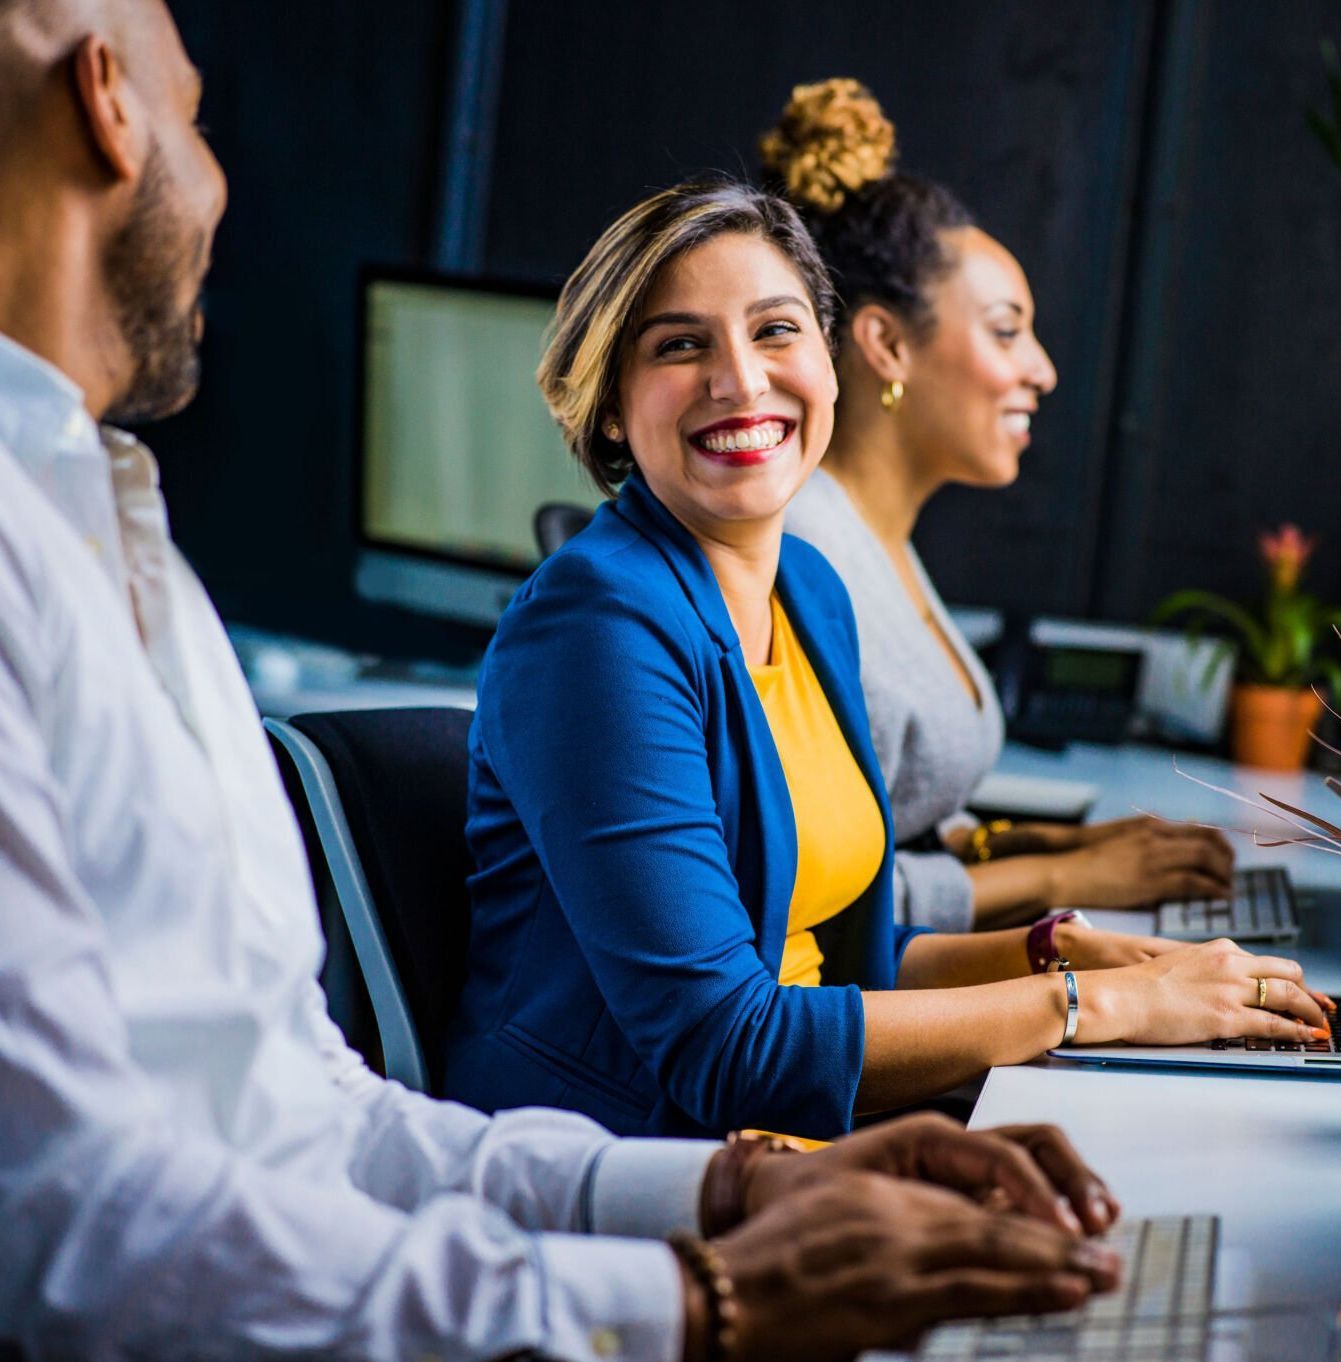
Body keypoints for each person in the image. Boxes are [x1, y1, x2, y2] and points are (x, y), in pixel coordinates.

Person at [0, 2, 1127, 1357]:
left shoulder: (113, 534)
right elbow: (66, 1226)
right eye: (196, 116)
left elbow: (311, 1113)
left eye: (777, 331)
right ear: (109, 101)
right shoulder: (590, 615)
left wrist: (746, 1191)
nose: (221, 177)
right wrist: (707, 1292)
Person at [450, 176, 1333, 1142]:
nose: (742, 380)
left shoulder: (812, 592)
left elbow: (841, 965)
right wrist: (1097, 1007)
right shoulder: (596, 628)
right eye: (679, 345)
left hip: (800, 1140)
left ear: (831, 364)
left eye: (777, 331)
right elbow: (724, 1046)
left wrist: (1063, 955)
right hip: (632, 1171)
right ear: (613, 407)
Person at [774, 79, 1239, 934]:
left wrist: (1046, 846)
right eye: (1004, 329)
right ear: (885, 343)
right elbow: (823, 903)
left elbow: (894, 821)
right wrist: (1065, 877)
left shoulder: (878, 539)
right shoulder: (806, 558)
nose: (1042, 369)